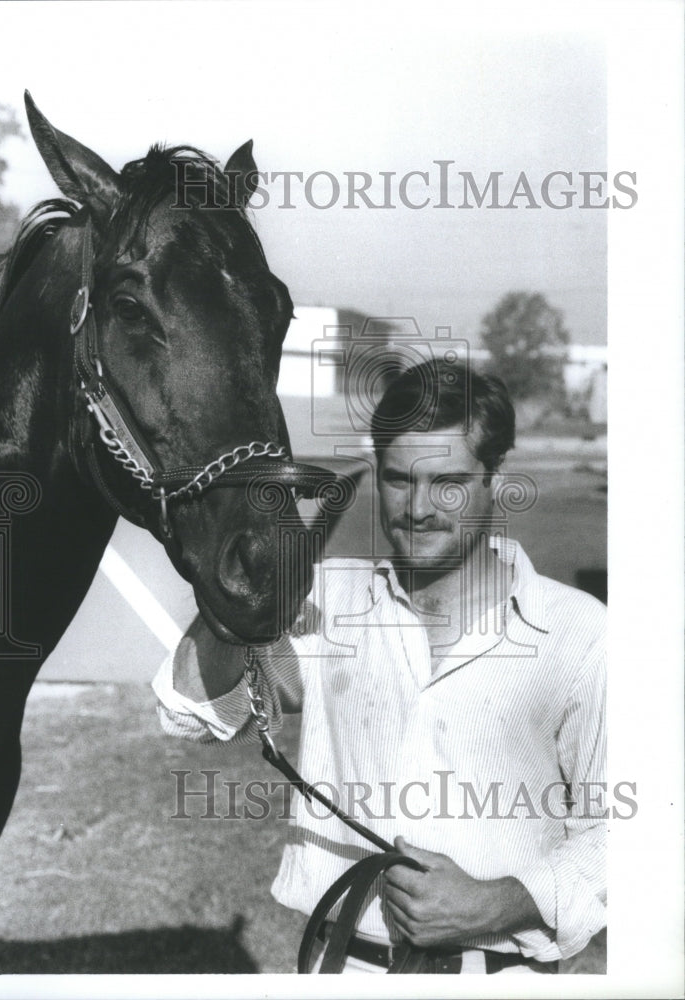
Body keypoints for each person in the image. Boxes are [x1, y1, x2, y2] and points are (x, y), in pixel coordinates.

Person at [153, 359, 606, 975]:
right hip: (343, 965)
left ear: (494, 479)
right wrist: (243, 590)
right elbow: (193, 717)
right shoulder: (325, 602)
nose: (418, 508)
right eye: (398, 480)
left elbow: (625, 832)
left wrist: (496, 904)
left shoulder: (579, 632)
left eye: (446, 481)